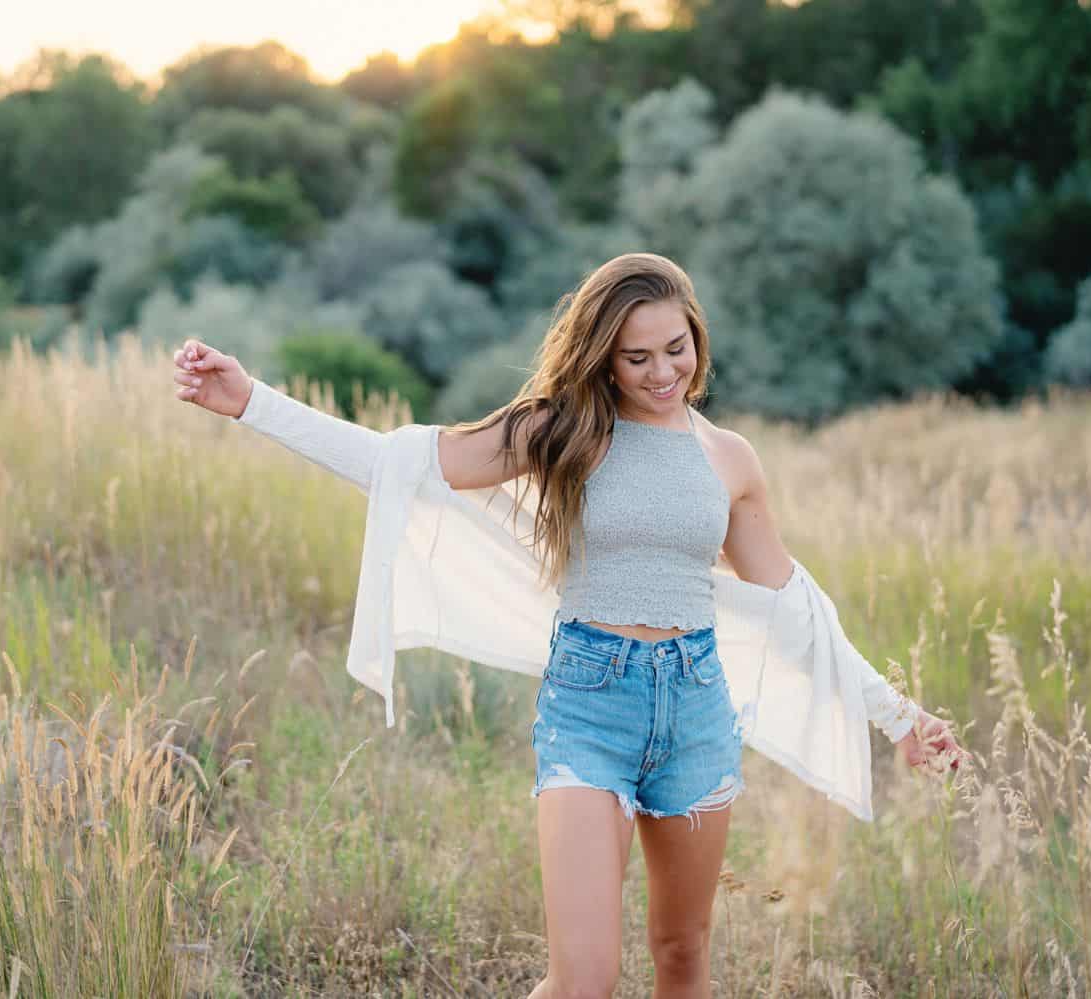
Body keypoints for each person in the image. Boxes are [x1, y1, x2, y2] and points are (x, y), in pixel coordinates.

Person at [172, 253, 963, 999]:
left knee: (682, 956)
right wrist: (252, 403)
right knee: (583, 979)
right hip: (591, 703)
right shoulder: (567, 428)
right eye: (636, 357)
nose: (662, 373)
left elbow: (798, 610)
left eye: (675, 349)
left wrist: (898, 716)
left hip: (695, 709)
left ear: (697, 335)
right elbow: (401, 463)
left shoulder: (731, 459)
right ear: (604, 359)